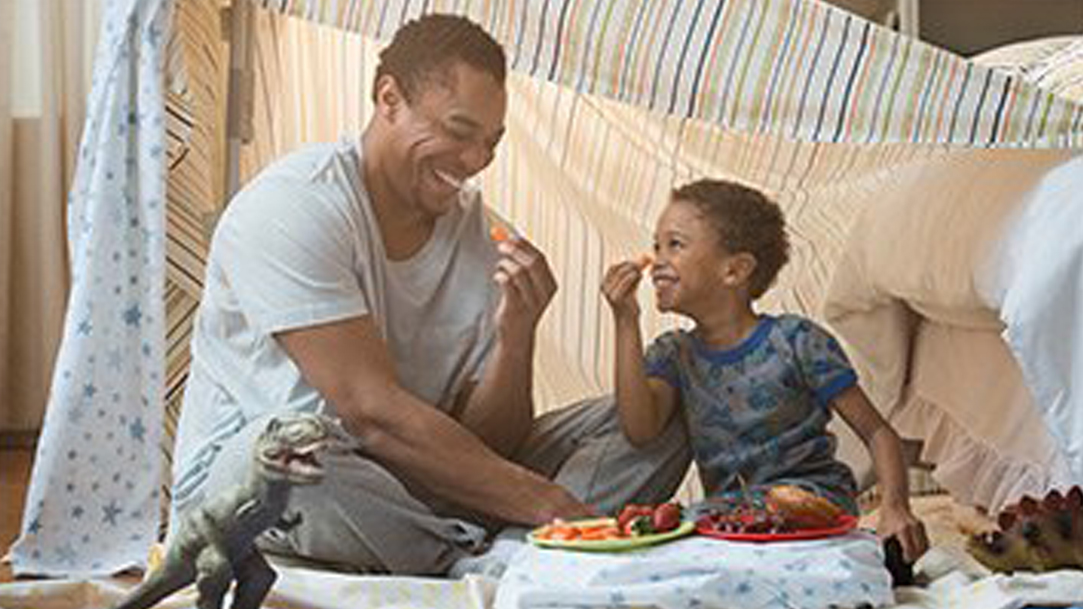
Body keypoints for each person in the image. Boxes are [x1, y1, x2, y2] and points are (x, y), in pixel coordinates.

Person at [168, 14, 689, 576]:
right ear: (388, 97)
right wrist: (548, 504)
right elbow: (370, 414)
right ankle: (485, 557)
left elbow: (492, 446)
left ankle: (483, 548)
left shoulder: (484, 239)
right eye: (459, 131)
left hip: (415, 487)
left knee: (659, 415)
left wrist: (516, 339)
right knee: (290, 455)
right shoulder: (294, 207)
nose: (474, 161)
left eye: (490, 143)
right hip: (271, 491)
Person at [601, 179, 930, 562]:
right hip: (731, 515)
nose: (657, 261)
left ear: (735, 270)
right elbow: (640, 429)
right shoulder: (674, 354)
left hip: (814, 501)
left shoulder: (797, 341)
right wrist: (625, 319)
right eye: (656, 246)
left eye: (675, 245)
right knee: (663, 537)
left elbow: (877, 432)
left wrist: (895, 506)